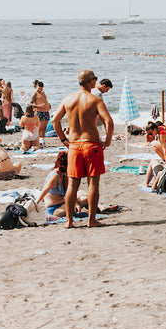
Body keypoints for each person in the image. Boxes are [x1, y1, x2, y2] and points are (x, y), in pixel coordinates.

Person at [52, 69, 114, 228]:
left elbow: (55, 120)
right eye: (95, 79)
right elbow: (109, 122)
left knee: (72, 185)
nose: (96, 81)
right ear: (91, 82)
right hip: (91, 145)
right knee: (93, 184)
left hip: (74, 147)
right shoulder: (95, 100)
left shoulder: (68, 99)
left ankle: (69, 221)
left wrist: (63, 139)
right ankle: (91, 220)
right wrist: (107, 141)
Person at [36, 150, 70, 217]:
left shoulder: (64, 176)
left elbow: (69, 192)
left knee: (83, 196)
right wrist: (36, 203)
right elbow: (45, 190)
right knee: (83, 199)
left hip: (62, 204)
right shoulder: (54, 177)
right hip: (55, 209)